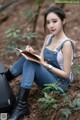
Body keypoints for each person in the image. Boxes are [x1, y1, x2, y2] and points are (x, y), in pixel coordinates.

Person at [5, 6, 74, 120]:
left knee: (30, 63)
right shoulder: (48, 38)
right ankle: (4, 80)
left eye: (55, 21)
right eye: (48, 22)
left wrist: (46, 65)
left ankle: (21, 105)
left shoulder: (66, 44)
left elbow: (66, 74)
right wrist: (31, 53)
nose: (51, 25)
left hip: (59, 84)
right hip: (48, 76)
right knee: (27, 59)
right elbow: (40, 59)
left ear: (63, 21)